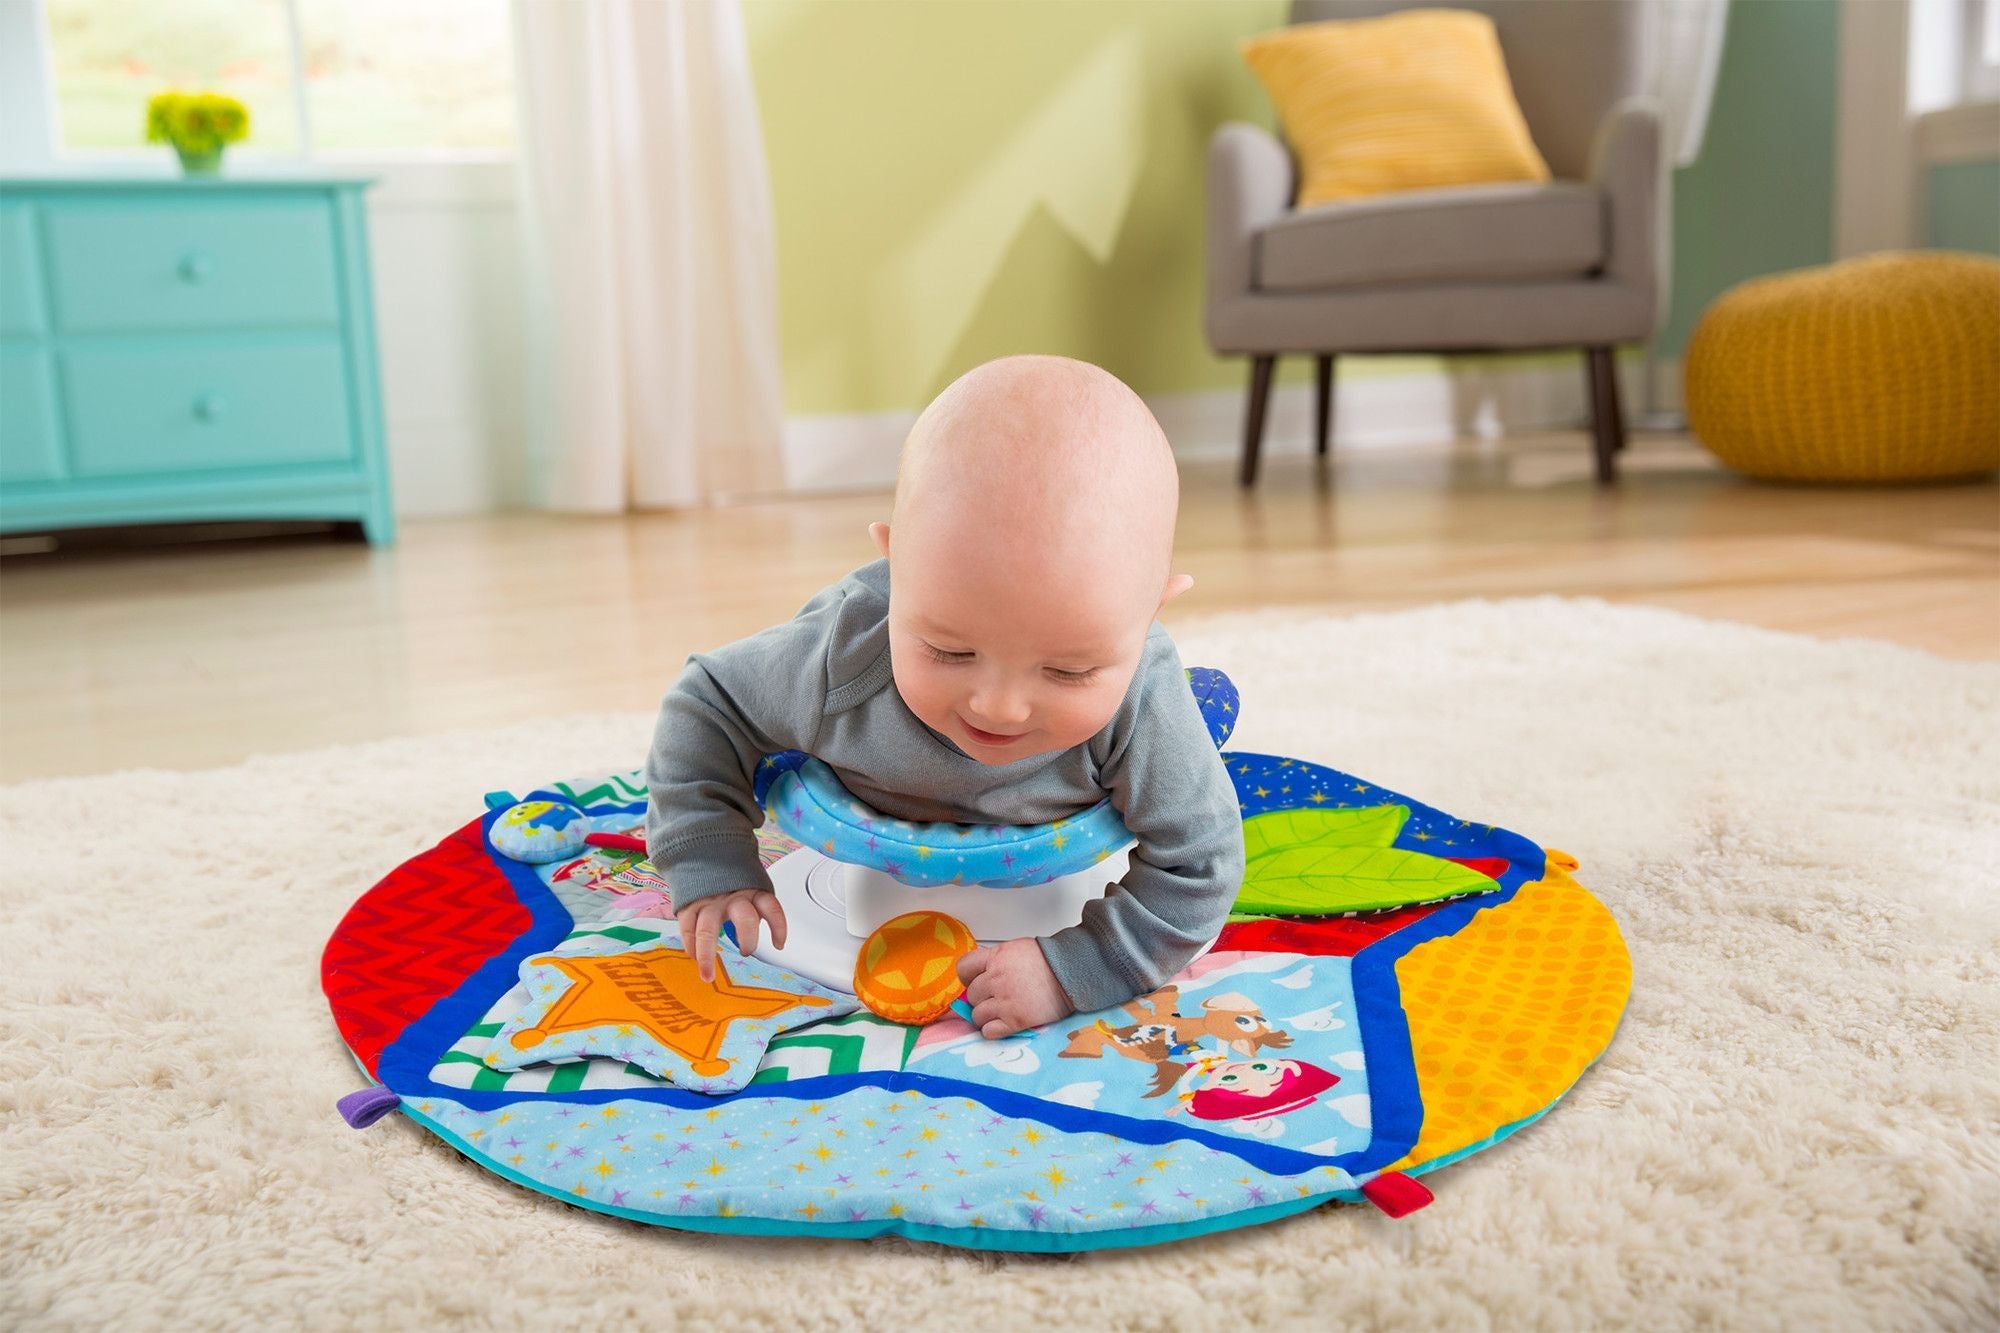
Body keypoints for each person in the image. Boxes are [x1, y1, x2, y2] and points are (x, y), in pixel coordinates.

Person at [646, 355, 1244, 1038]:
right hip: (862, 850)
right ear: (896, 565)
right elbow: (707, 702)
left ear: (1153, 610)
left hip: (1070, 855)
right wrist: (711, 856)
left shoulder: (1144, 693)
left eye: (1068, 671)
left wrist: (1075, 967)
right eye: (951, 651)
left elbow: (1202, 863)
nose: (999, 707)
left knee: (1179, 762)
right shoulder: (843, 653)